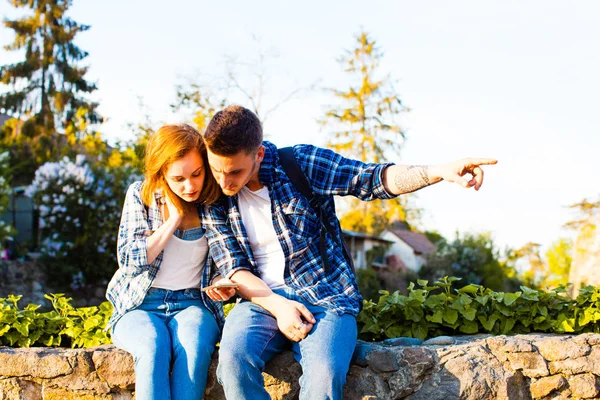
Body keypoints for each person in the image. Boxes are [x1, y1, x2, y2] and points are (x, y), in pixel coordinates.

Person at [201, 105, 497, 400]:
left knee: (324, 375)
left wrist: (438, 172)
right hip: (261, 301)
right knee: (232, 365)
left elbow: (371, 178)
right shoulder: (214, 195)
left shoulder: (298, 164)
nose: (224, 182)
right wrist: (279, 307)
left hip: (324, 298)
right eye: (216, 170)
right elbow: (233, 264)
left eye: (234, 172)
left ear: (259, 154)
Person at [105, 124, 236, 400]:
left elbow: (222, 262)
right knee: (153, 346)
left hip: (193, 304)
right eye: (179, 179)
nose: (190, 186)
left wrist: (222, 284)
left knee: (194, 347)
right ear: (161, 174)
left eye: (197, 174)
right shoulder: (140, 195)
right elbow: (129, 262)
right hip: (140, 304)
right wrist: (173, 220)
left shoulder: (214, 202)